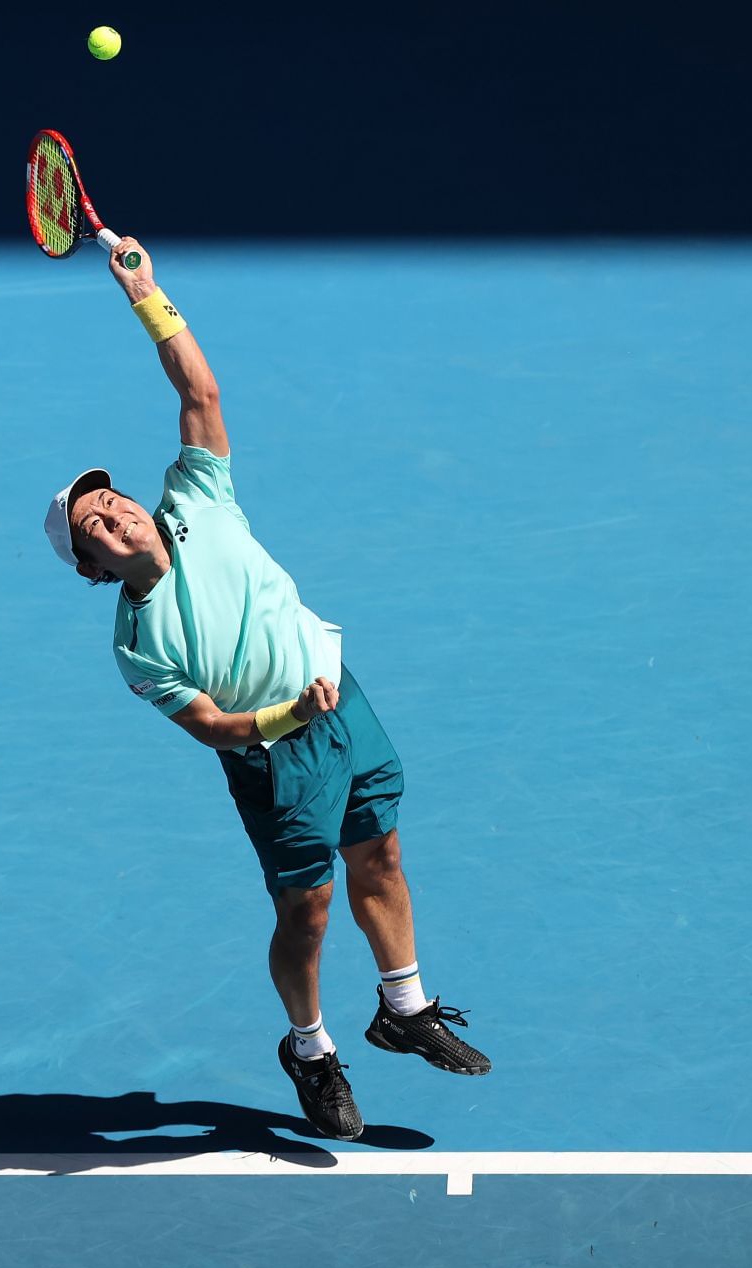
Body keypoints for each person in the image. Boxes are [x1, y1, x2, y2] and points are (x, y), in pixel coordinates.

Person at [42, 238, 490, 1140]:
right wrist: (290, 714)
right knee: (309, 909)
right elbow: (211, 726)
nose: (115, 508)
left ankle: (403, 1006)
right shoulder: (139, 642)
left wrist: (148, 294)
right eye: (94, 521)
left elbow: (198, 394)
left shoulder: (197, 496)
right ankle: (311, 1048)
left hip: (338, 696)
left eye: (112, 496)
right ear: (92, 566)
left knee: (384, 856)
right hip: (276, 748)